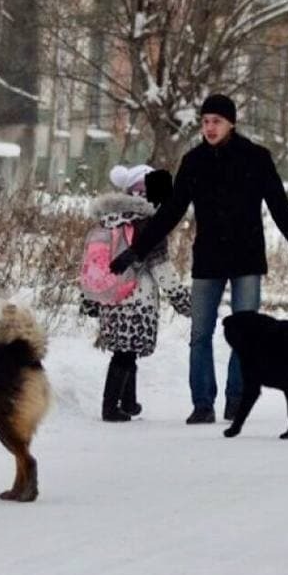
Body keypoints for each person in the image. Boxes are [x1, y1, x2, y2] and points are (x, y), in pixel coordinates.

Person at [110, 93, 288, 424]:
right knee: (199, 334)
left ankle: (236, 399)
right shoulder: (194, 162)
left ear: (231, 123)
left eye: (216, 121)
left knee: (247, 336)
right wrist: (137, 250)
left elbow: (280, 205)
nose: (209, 127)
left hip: (247, 259)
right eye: (205, 121)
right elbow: (171, 212)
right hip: (208, 259)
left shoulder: (256, 158)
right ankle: (203, 404)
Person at [84, 163, 191, 422]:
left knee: (125, 350)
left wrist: (89, 298)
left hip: (111, 296)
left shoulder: (108, 220)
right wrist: (183, 300)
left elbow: (91, 262)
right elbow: (161, 267)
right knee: (124, 354)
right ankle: (110, 408)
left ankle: (129, 403)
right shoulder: (149, 224)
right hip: (137, 298)